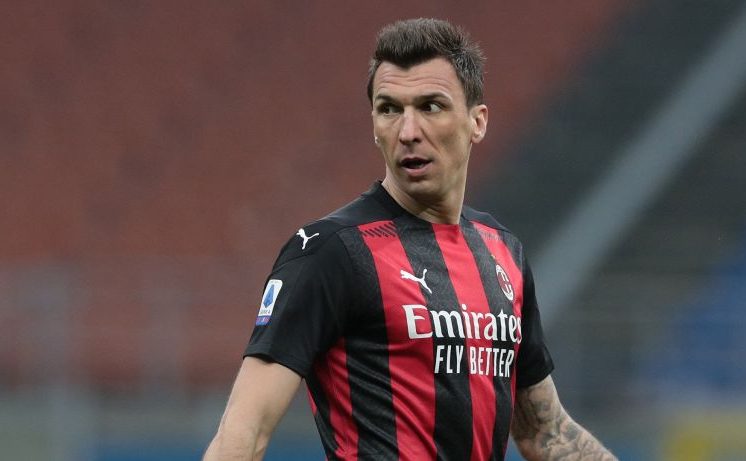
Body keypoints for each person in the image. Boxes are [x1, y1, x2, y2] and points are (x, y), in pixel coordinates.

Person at [204, 18, 617, 461]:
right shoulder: (330, 252)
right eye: (389, 109)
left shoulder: (502, 251)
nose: (408, 131)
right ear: (374, 124)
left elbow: (544, 431)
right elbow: (245, 432)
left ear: (477, 122)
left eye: (431, 106)